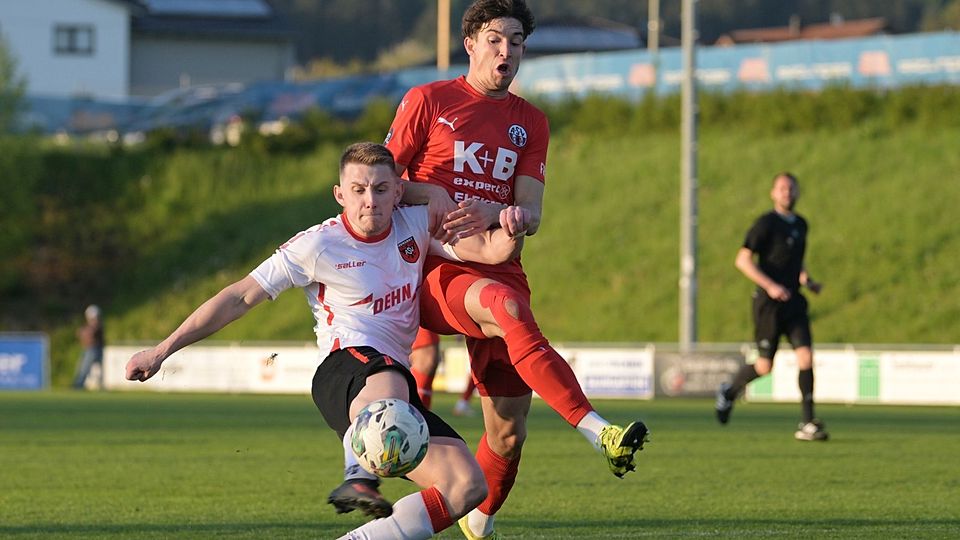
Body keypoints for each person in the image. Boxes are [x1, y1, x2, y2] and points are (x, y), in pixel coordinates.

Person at [125, 142, 532, 539]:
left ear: (398, 192)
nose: (369, 201)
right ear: (340, 194)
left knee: (466, 485)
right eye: (358, 190)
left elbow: (492, 251)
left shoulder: (416, 222)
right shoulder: (318, 244)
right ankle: (358, 477)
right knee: (389, 380)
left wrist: (514, 226)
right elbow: (239, 297)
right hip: (344, 370)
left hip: (390, 384)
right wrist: (162, 350)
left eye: (380, 189)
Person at [381, 1, 649, 537]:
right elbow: (382, 181)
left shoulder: (531, 122)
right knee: (503, 306)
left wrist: (506, 214)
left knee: (506, 434)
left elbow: (532, 212)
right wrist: (430, 193)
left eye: (517, 42)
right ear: (471, 44)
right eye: (496, 39)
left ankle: (478, 520)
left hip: (498, 262)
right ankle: (598, 431)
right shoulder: (429, 100)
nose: (507, 51)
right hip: (435, 264)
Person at [715, 172, 828, 441]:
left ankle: (807, 423)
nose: (787, 192)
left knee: (806, 357)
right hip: (768, 305)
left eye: (791, 188)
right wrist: (770, 286)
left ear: (797, 192)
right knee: (765, 366)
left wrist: (807, 280)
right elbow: (743, 260)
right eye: (782, 188)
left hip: (794, 303)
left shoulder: (801, 224)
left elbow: (794, 261)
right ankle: (729, 392)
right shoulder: (765, 224)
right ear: (773, 193)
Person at [72, 304, 104, 389]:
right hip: (88, 348)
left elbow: (88, 333)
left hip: (94, 349)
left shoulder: (97, 325)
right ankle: (79, 384)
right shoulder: (89, 325)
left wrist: (83, 331)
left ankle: (79, 385)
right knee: (83, 367)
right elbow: (80, 333)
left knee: (85, 368)